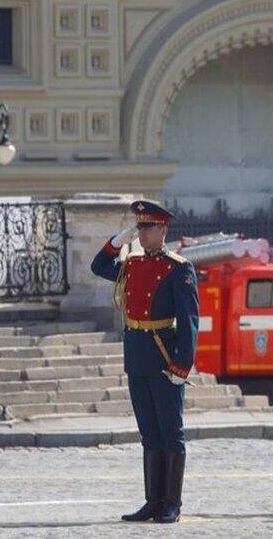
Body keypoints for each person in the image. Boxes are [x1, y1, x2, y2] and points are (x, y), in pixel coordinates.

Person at [90, 201, 197, 523]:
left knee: (170, 432)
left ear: (163, 230)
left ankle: (171, 503)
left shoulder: (179, 267)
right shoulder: (132, 263)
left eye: (148, 227)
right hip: (137, 354)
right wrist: (116, 243)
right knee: (149, 433)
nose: (142, 232)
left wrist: (182, 365)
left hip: (163, 354)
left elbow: (189, 319)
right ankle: (153, 500)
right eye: (139, 227)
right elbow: (98, 266)